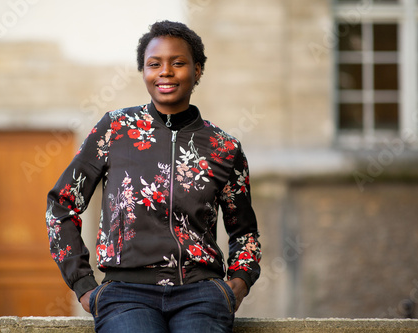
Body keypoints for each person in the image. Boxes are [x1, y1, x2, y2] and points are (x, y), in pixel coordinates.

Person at [46, 20, 261, 333]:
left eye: (178, 63)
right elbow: (61, 204)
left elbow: (245, 232)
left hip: (201, 294)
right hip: (125, 294)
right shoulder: (115, 129)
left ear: (197, 70)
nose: (166, 72)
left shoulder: (224, 147)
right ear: (143, 71)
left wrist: (236, 287)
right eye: (154, 64)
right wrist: (83, 285)